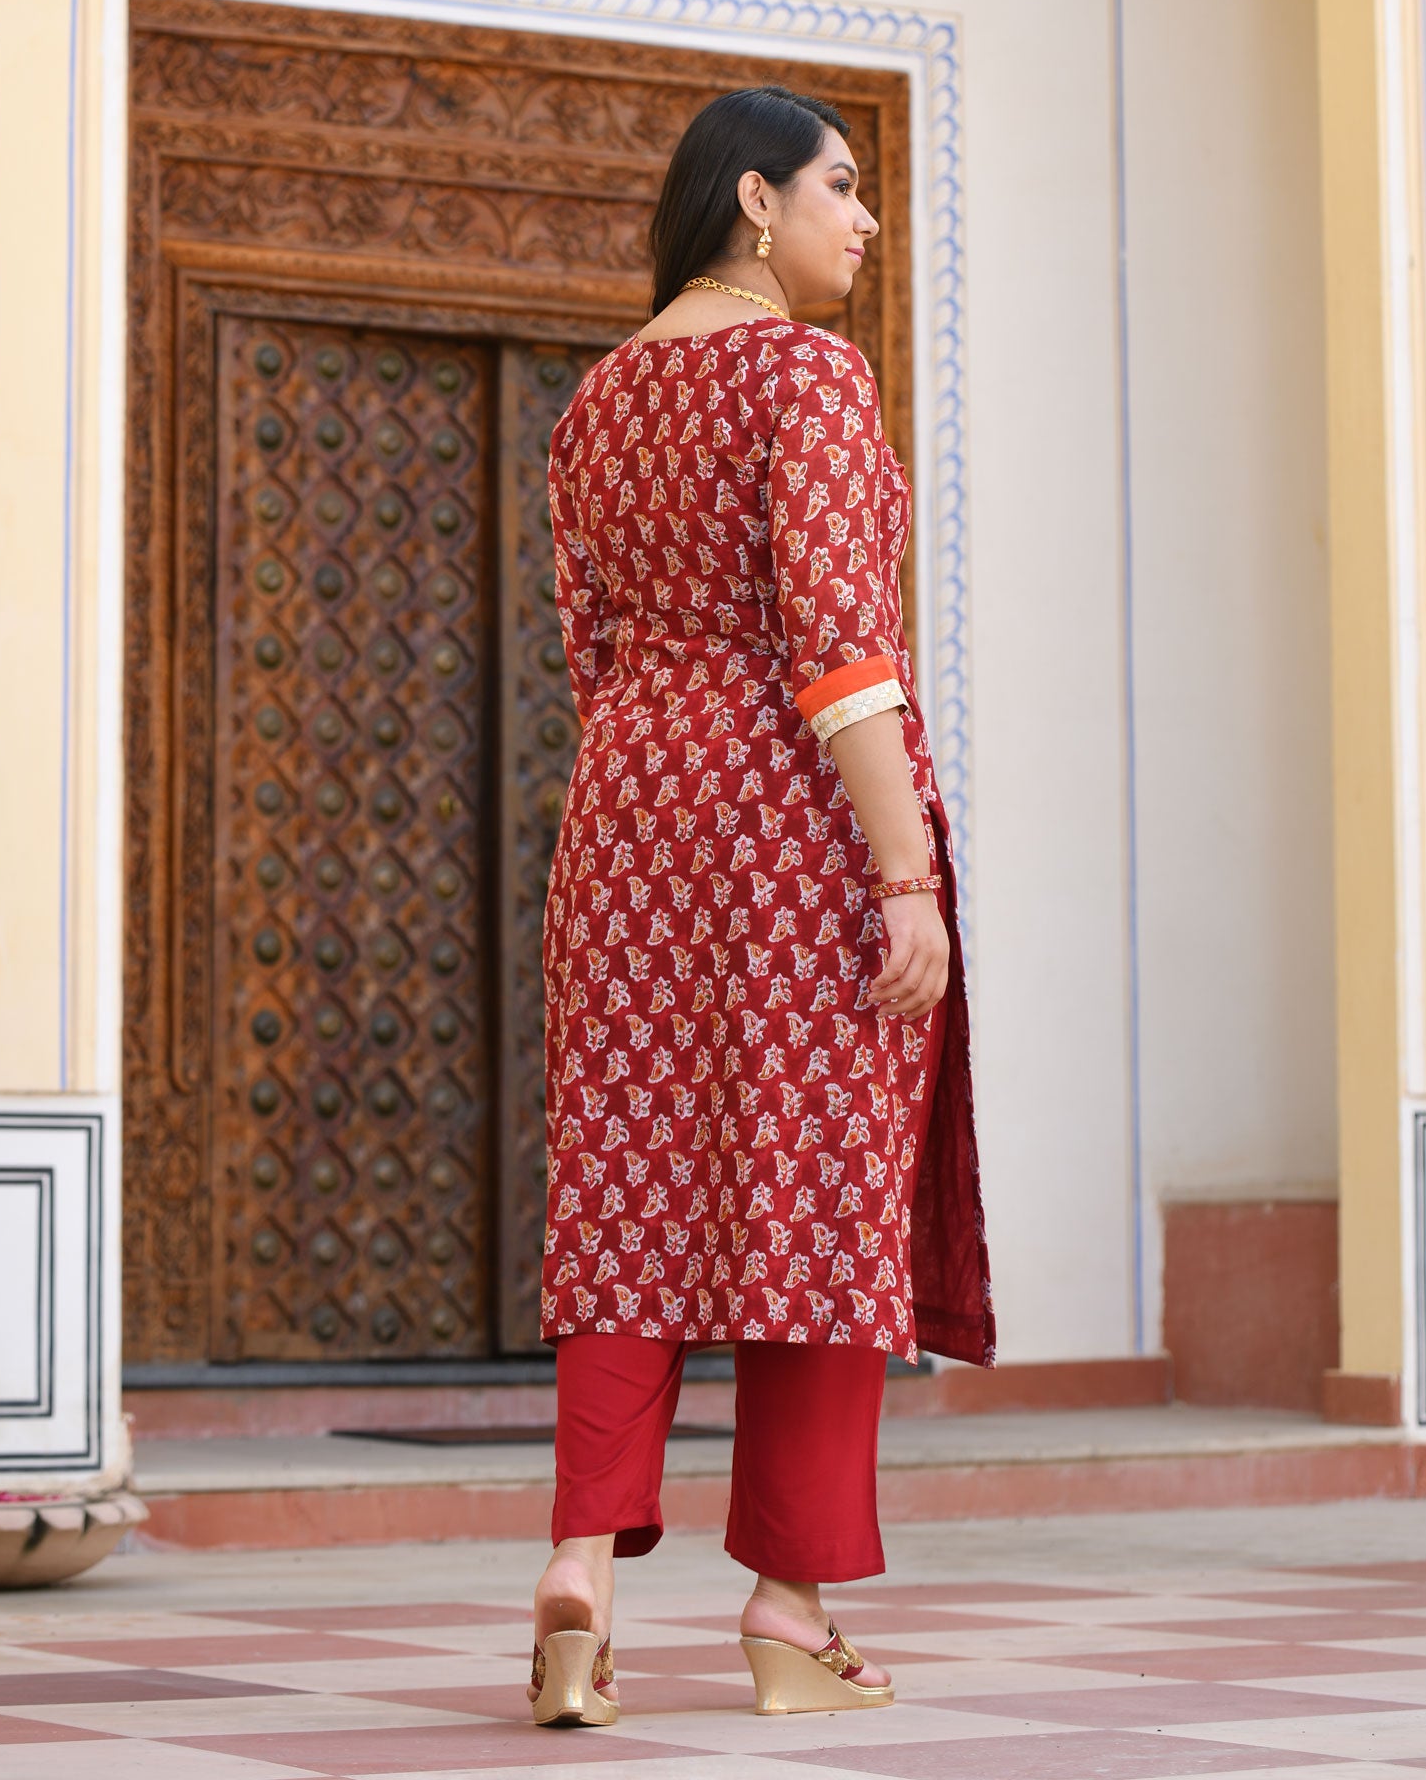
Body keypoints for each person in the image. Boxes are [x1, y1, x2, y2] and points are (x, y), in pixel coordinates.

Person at [527, 84, 995, 1728]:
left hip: (627, 819)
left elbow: (589, 654)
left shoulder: (599, 400)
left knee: (626, 1185)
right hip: (786, 824)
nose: (862, 223)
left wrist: (658, 777)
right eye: (841, 191)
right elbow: (841, 643)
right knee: (816, 1198)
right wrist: (901, 870)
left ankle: (579, 1571)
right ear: (753, 202)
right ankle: (789, 1614)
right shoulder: (804, 373)